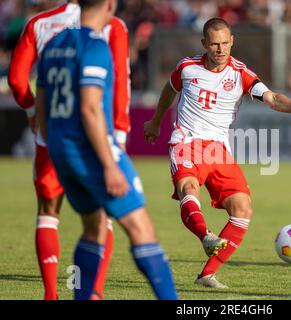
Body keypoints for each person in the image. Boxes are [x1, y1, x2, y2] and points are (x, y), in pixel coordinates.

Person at [143, 17, 291, 289]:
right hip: (187, 141)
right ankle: (206, 236)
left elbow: (272, 98)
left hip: (218, 151)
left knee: (243, 208)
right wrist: (156, 121)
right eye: (214, 43)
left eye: (225, 42)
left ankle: (207, 275)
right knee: (188, 189)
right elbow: (170, 88)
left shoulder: (240, 73)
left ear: (232, 42)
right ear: (204, 43)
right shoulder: (187, 67)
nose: (220, 49)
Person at [35, 0, 178, 300]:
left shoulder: (54, 44)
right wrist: (109, 164)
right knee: (141, 229)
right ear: (110, 5)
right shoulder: (96, 47)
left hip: (61, 150)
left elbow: (41, 108)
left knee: (93, 229)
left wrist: (59, 150)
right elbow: (90, 109)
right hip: (92, 151)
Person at [8, 0, 130, 300]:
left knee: (48, 212)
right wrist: (120, 131)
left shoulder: (40, 24)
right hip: (97, 133)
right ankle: (95, 292)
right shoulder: (112, 25)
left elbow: (16, 78)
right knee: (103, 216)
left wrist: (31, 110)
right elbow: (120, 81)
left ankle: (51, 293)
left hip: (54, 130)